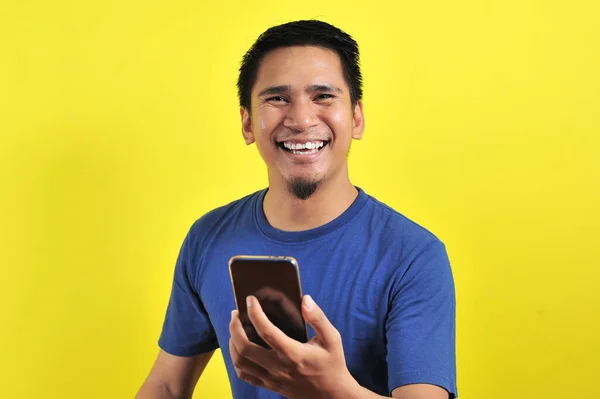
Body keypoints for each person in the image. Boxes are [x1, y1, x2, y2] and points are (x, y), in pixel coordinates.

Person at [136, 20, 457, 399]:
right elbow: (167, 385)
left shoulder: (414, 255)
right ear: (247, 122)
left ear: (356, 117)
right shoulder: (208, 238)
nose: (302, 120)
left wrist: (333, 390)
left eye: (323, 96)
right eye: (277, 98)